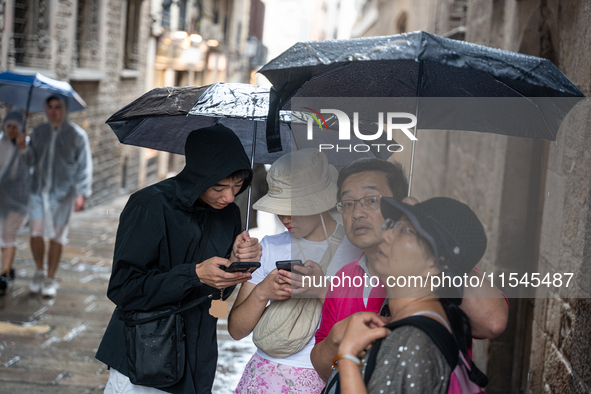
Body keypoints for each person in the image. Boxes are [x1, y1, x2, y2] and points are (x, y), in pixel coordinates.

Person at [96, 125, 262, 394]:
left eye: (237, 185)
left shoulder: (229, 213)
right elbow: (123, 288)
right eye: (219, 186)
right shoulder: (150, 205)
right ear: (198, 176)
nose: (229, 196)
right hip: (145, 355)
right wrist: (193, 274)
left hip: (199, 360)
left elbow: (215, 297)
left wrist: (233, 266)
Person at [310, 158, 509, 381]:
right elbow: (323, 369)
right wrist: (337, 338)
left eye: (371, 200)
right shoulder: (344, 277)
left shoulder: (430, 272)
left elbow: (493, 322)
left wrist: (425, 230)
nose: (357, 213)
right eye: (348, 203)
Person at [228, 149, 362, 393]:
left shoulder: (356, 250)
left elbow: (366, 326)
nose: (285, 217)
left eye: (296, 207)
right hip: (264, 378)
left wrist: (323, 291)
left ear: (321, 200)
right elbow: (237, 331)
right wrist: (262, 293)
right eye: (280, 208)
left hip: (324, 376)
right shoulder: (269, 247)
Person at [328, 196, 489, 393]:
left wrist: (348, 357)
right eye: (392, 226)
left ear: (436, 264)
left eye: (405, 231)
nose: (385, 235)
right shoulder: (428, 329)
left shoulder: (411, 342)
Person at [18, 95, 93, 297]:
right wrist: (23, 148)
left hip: (64, 195)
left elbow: (84, 166)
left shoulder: (77, 135)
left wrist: (81, 193)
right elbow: (30, 161)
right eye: (50, 107)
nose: (53, 111)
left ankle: (50, 278)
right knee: (36, 232)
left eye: (58, 107)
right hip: (38, 191)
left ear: (65, 109)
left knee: (57, 238)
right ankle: (39, 271)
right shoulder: (39, 132)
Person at [0, 110, 30, 293]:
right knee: (2, 233)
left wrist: (22, 151)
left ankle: (3, 275)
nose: (11, 130)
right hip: (2, 198)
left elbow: (30, 173)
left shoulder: (26, 147)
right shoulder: (1, 145)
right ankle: (8, 268)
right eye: (9, 126)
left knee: (9, 233)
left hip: (19, 198)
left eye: (15, 127)